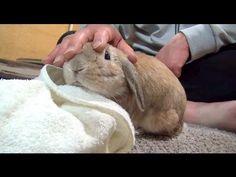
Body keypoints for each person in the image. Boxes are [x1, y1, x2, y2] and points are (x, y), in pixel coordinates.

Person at [43, 24, 236, 133]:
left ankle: (176, 107)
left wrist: (191, 40)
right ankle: (184, 109)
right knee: (69, 40)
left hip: (203, 57)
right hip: (131, 58)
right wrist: (99, 30)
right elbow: (97, 34)